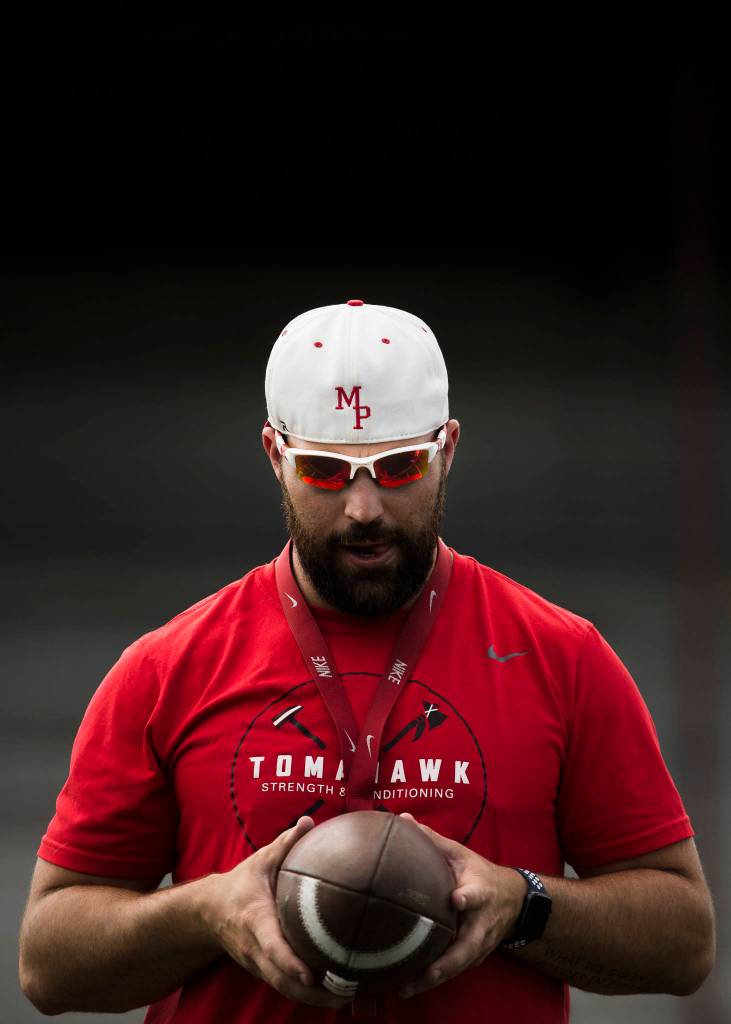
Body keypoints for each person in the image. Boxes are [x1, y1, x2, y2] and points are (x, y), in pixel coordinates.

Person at [19, 300, 715, 1023]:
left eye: (398, 465)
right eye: (324, 470)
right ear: (273, 455)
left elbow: (683, 942)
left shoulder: (560, 656)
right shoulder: (169, 667)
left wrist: (524, 903)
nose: (363, 507)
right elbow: (48, 963)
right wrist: (204, 911)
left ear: (446, 450)